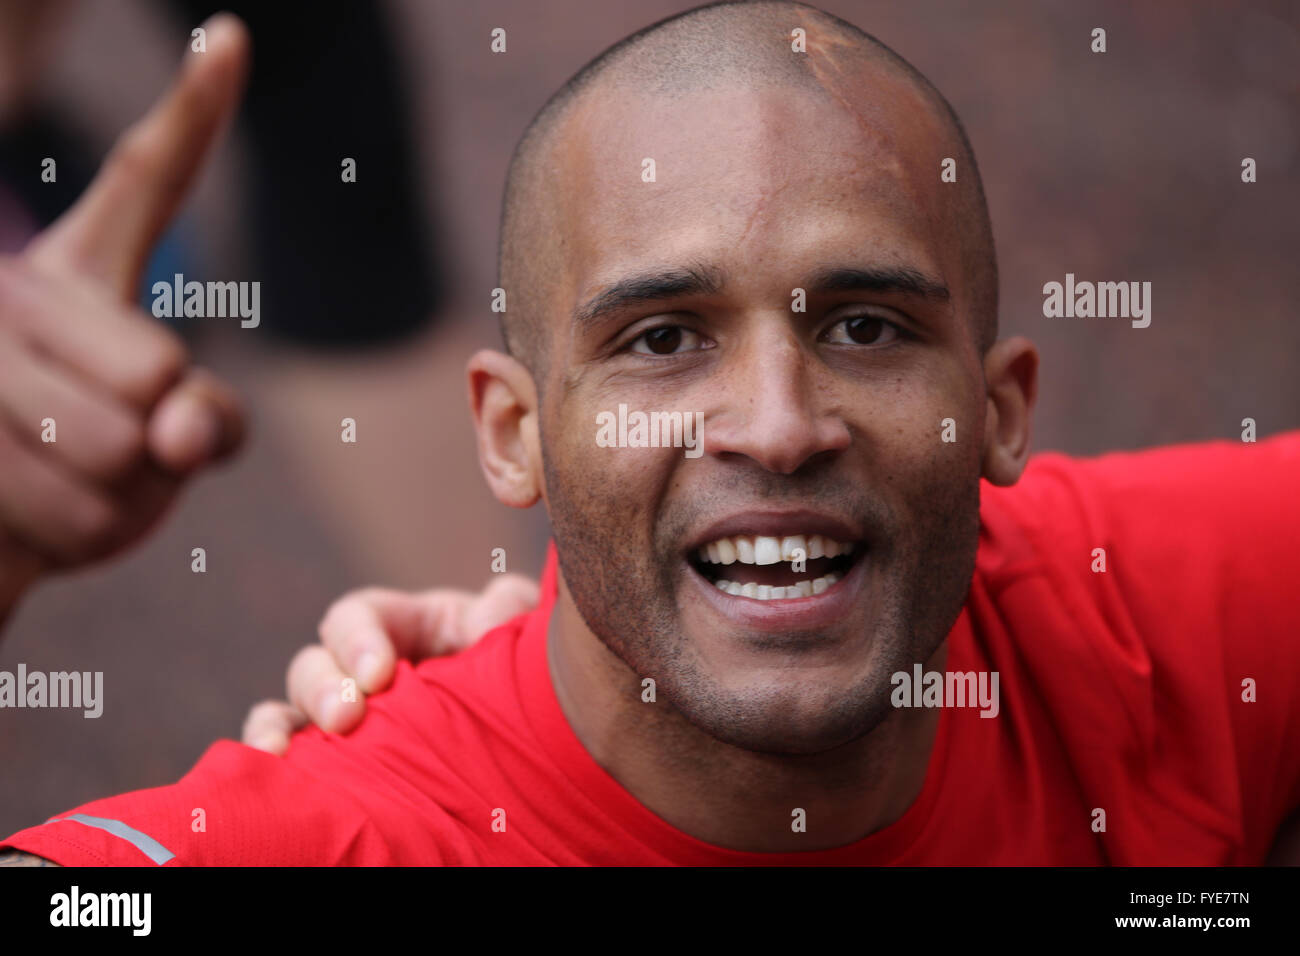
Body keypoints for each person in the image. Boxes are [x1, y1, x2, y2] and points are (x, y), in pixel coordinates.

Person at [3, 0, 1298, 865]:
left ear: (1000, 411)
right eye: (664, 339)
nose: (782, 429)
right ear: (511, 434)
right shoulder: (355, 834)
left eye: (865, 329)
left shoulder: (1151, 621)